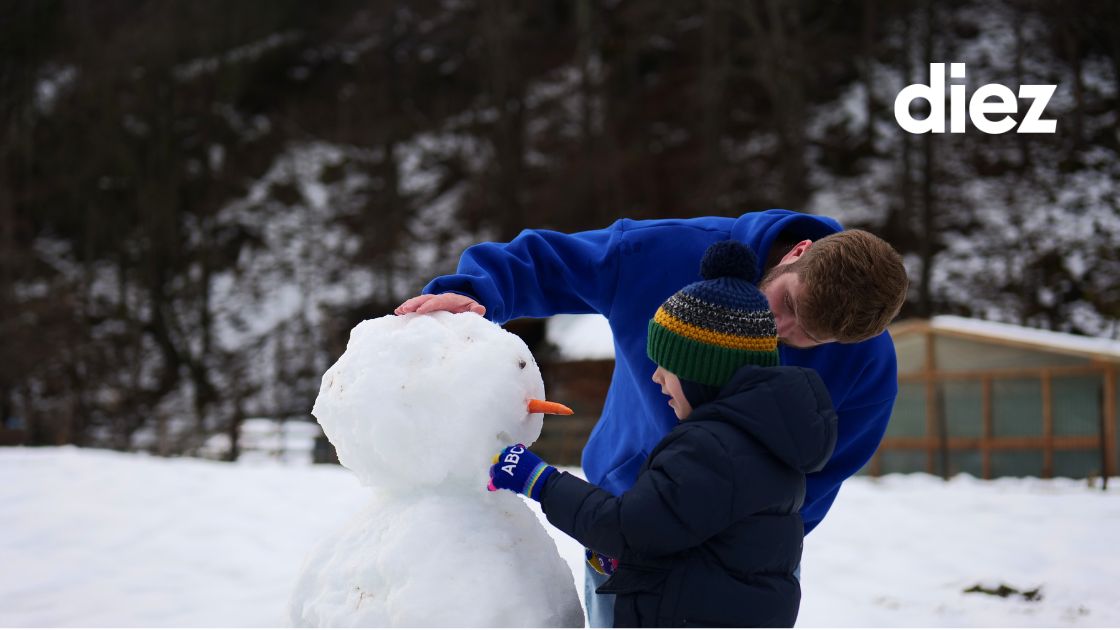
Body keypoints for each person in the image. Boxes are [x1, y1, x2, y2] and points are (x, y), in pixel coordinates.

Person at [396, 209, 908, 626]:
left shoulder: (868, 366)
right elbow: (549, 262)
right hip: (617, 522)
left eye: (810, 337)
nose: (781, 328)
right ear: (798, 253)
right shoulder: (668, 252)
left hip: (731, 563)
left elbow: (812, 487)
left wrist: (733, 555)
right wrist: (476, 292)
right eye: (787, 303)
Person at [487, 240, 838, 627]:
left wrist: (539, 479)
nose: (655, 378)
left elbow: (628, 528)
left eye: (666, 367)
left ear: (702, 373)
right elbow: (693, 538)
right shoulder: (763, 444)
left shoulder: (714, 449)